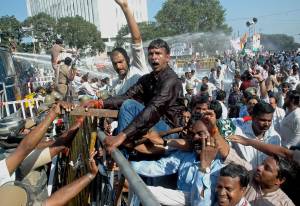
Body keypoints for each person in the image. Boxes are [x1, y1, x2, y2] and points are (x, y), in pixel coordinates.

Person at [110, 0, 149, 96]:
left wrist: (125, 7)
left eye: (120, 62)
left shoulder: (137, 67)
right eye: (115, 63)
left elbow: (136, 38)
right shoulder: (115, 86)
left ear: (127, 59)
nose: (118, 66)